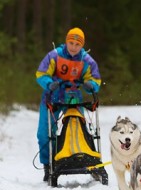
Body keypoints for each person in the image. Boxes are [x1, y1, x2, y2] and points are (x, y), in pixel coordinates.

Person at [36, 27, 101, 182]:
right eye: (71, 43)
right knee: (44, 132)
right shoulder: (54, 55)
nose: (73, 47)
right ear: (66, 41)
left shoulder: (86, 60)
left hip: (73, 96)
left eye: (77, 44)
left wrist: (91, 85)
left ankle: (83, 158)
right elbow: (40, 74)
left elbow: (95, 79)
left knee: (77, 129)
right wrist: (49, 83)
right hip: (52, 95)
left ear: (82, 45)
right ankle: (48, 165)